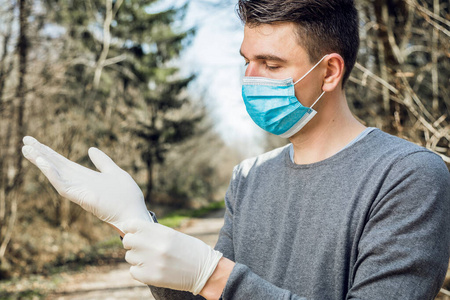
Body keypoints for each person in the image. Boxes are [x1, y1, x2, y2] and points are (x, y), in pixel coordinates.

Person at [22, 0, 450, 299]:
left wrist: (216, 276)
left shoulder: (408, 176)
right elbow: (208, 295)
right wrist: (137, 225)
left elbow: (219, 286)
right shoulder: (249, 177)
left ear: (331, 72)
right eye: (247, 60)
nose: (251, 78)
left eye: (272, 64)